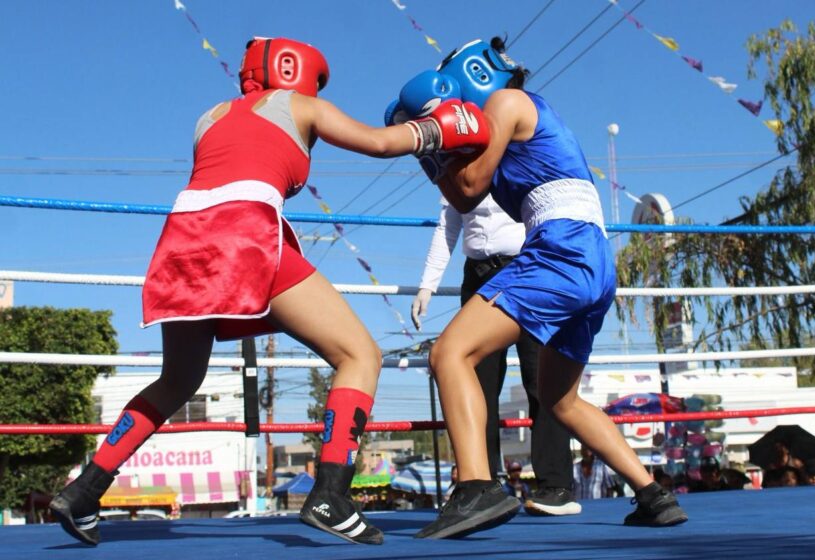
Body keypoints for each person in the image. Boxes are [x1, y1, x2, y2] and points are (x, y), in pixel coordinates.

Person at [48, 36, 490, 547]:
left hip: (182, 240)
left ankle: (85, 489)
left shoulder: (209, 117)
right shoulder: (302, 105)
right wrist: (444, 128)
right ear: (297, 70)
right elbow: (379, 142)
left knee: (177, 380)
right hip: (244, 233)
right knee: (359, 354)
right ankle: (330, 494)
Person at [388, 37, 688, 539]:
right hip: (590, 261)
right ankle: (653, 494)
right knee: (559, 398)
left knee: (449, 354)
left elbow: (466, 188)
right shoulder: (516, 126)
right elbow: (464, 199)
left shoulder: (508, 103)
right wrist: (438, 143)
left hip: (561, 249)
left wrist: (427, 138)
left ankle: (477, 487)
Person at [409, 192, 579, 516]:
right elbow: (448, 226)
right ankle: (482, 483)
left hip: (528, 270)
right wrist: (426, 286)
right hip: (478, 278)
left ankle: (556, 486)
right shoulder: (457, 164)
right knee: (475, 383)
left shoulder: (520, 154)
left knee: (543, 381)